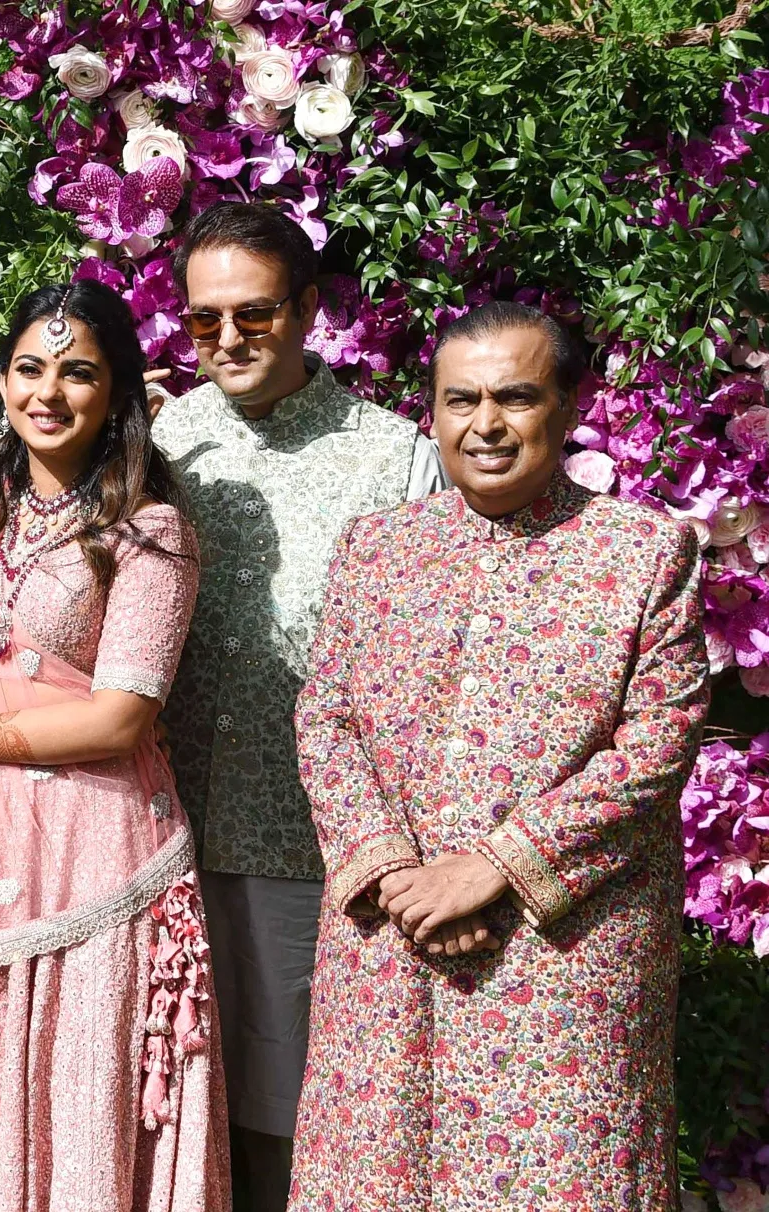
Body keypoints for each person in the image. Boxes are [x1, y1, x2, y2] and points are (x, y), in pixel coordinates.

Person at [288, 302, 705, 1209]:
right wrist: (402, 877)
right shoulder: (378, 550)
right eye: (459, 399)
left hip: (561, 955)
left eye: (515, 398)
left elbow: (658, 744)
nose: (485, 424)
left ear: (566, 406)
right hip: (389, 941)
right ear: (431, 412)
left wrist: (494, 869)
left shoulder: (642, 553)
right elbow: (326, 718)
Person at [0, 280, 228, 1211]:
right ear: (0, 382)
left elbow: (121, 718)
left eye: (78, 373)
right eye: (30, 368)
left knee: (84, 1091)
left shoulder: (151, 531)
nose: (48, 393)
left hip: (97, 853)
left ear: (117, 394)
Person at [146, 201, 446, 1211]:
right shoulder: (165, 435)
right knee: (169, 1103)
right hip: (162, 831)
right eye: (201, 321)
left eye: (254, 315)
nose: (225, 339)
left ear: (308, 310)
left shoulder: (389, 454)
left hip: (307, 848)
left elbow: (420, 662)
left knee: (291, 1120)